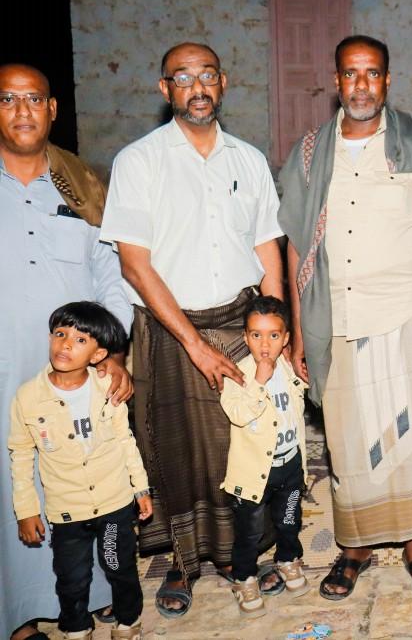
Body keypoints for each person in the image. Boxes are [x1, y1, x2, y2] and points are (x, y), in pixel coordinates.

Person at [99, 42, 285, 617]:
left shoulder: (248, 160)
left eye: (207, 76)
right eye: (183, 78)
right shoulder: (139, 161)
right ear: (165, 89)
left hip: (240, 322)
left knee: (241, 444)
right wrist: (195, 344)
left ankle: (237, 554)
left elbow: (267, 248)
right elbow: (135, 264)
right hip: (169, 327)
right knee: (174, 448)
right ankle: (183, 562)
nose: (197, 87)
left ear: (223, 83)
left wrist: (277, 331)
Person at [277, 35, 412, 603]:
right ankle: (354, 546)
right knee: (348, 438)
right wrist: (299, 330)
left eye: (372, 74)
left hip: (404, 311)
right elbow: (296, 246)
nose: (361, 85)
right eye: (351, 74)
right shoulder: (310, 155)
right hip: (337, 316)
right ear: (337, 82)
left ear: (387, 80)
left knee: (409, 436)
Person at [0, 63, 133, 640]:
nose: (22, 111)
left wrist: (111, 350)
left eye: (33, 99)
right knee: (13, 478)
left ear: (53, 109)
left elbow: (112, 274)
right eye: (7, 99)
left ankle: (98, 594)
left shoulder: (81, 184)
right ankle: (16, 613)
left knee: (91, 468)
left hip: (80, 367)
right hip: (6, 368)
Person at [8, 302, 150, 640]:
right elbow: (21, 454)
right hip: (67, 510)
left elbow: (125, 439)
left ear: (99, 354)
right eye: (60, 334)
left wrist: (141, 488)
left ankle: (128, 621)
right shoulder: (28, 397)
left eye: (80, 339)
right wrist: (26, 510)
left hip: (114, 503)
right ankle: (76, 628)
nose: (66, 344)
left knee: (118, 565)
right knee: (71, 577)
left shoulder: (108, 387)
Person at [221, 296, 310, 617]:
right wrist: (259, 380)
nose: (264, 344)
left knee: (289, 520)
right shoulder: (237, 374)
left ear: (285, 338)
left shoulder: (287, 366)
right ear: (245, 337)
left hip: (290, 465)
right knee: (250, 532)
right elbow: (238, 413)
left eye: (273, 335)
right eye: (256, 335)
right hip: (254, 474)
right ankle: (244, 578)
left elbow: (301, 396)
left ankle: (287, 559)